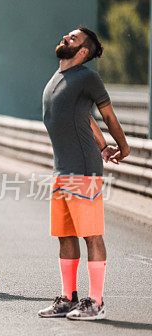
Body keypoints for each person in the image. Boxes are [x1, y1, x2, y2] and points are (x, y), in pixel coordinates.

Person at [36, 27, 129, 320]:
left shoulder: (87, 77)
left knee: (91, 235)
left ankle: (96, 302)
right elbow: (84, 116)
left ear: (83, 52)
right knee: (65, 236)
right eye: (66, 36)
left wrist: (121, 147)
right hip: (61, 169)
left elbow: (107, 114)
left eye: (72, 39)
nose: (64, 38)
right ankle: (68, 298)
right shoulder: (58, 76)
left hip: (83, 169)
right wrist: (103, 144)